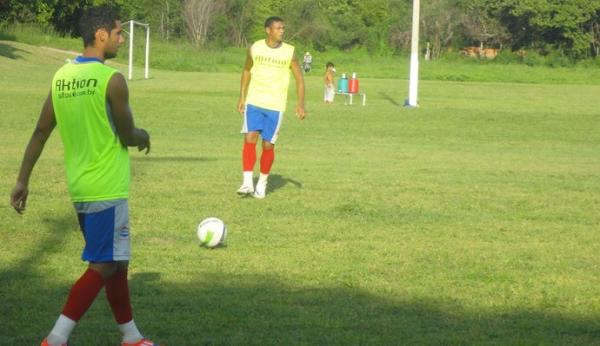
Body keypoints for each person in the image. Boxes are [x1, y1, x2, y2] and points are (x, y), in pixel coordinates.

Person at [9, 5, 157, 346]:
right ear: (101, 35)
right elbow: (127, 134)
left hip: (80, 186)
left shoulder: (62, 77)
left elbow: (40, 131)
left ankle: (131, 337)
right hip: (107, 185)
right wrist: (144, 137)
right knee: (104, 264)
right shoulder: (112, 80)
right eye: (119, 33)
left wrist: (22, 180)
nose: (122, 38)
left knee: (116, 262)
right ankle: (56, 338)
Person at [236, 16, 306, 199]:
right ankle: (247, 182)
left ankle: (262, 183)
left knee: (268, 145)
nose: (282, 31)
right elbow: (246, 70)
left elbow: (299, 78)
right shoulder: (254, 48)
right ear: (268, 30)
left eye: (283, 28)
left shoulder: (289, 52)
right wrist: (242, 97)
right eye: (278, 28)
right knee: (250, 138)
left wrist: (300, 104)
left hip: (275, 106)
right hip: (254, 101)